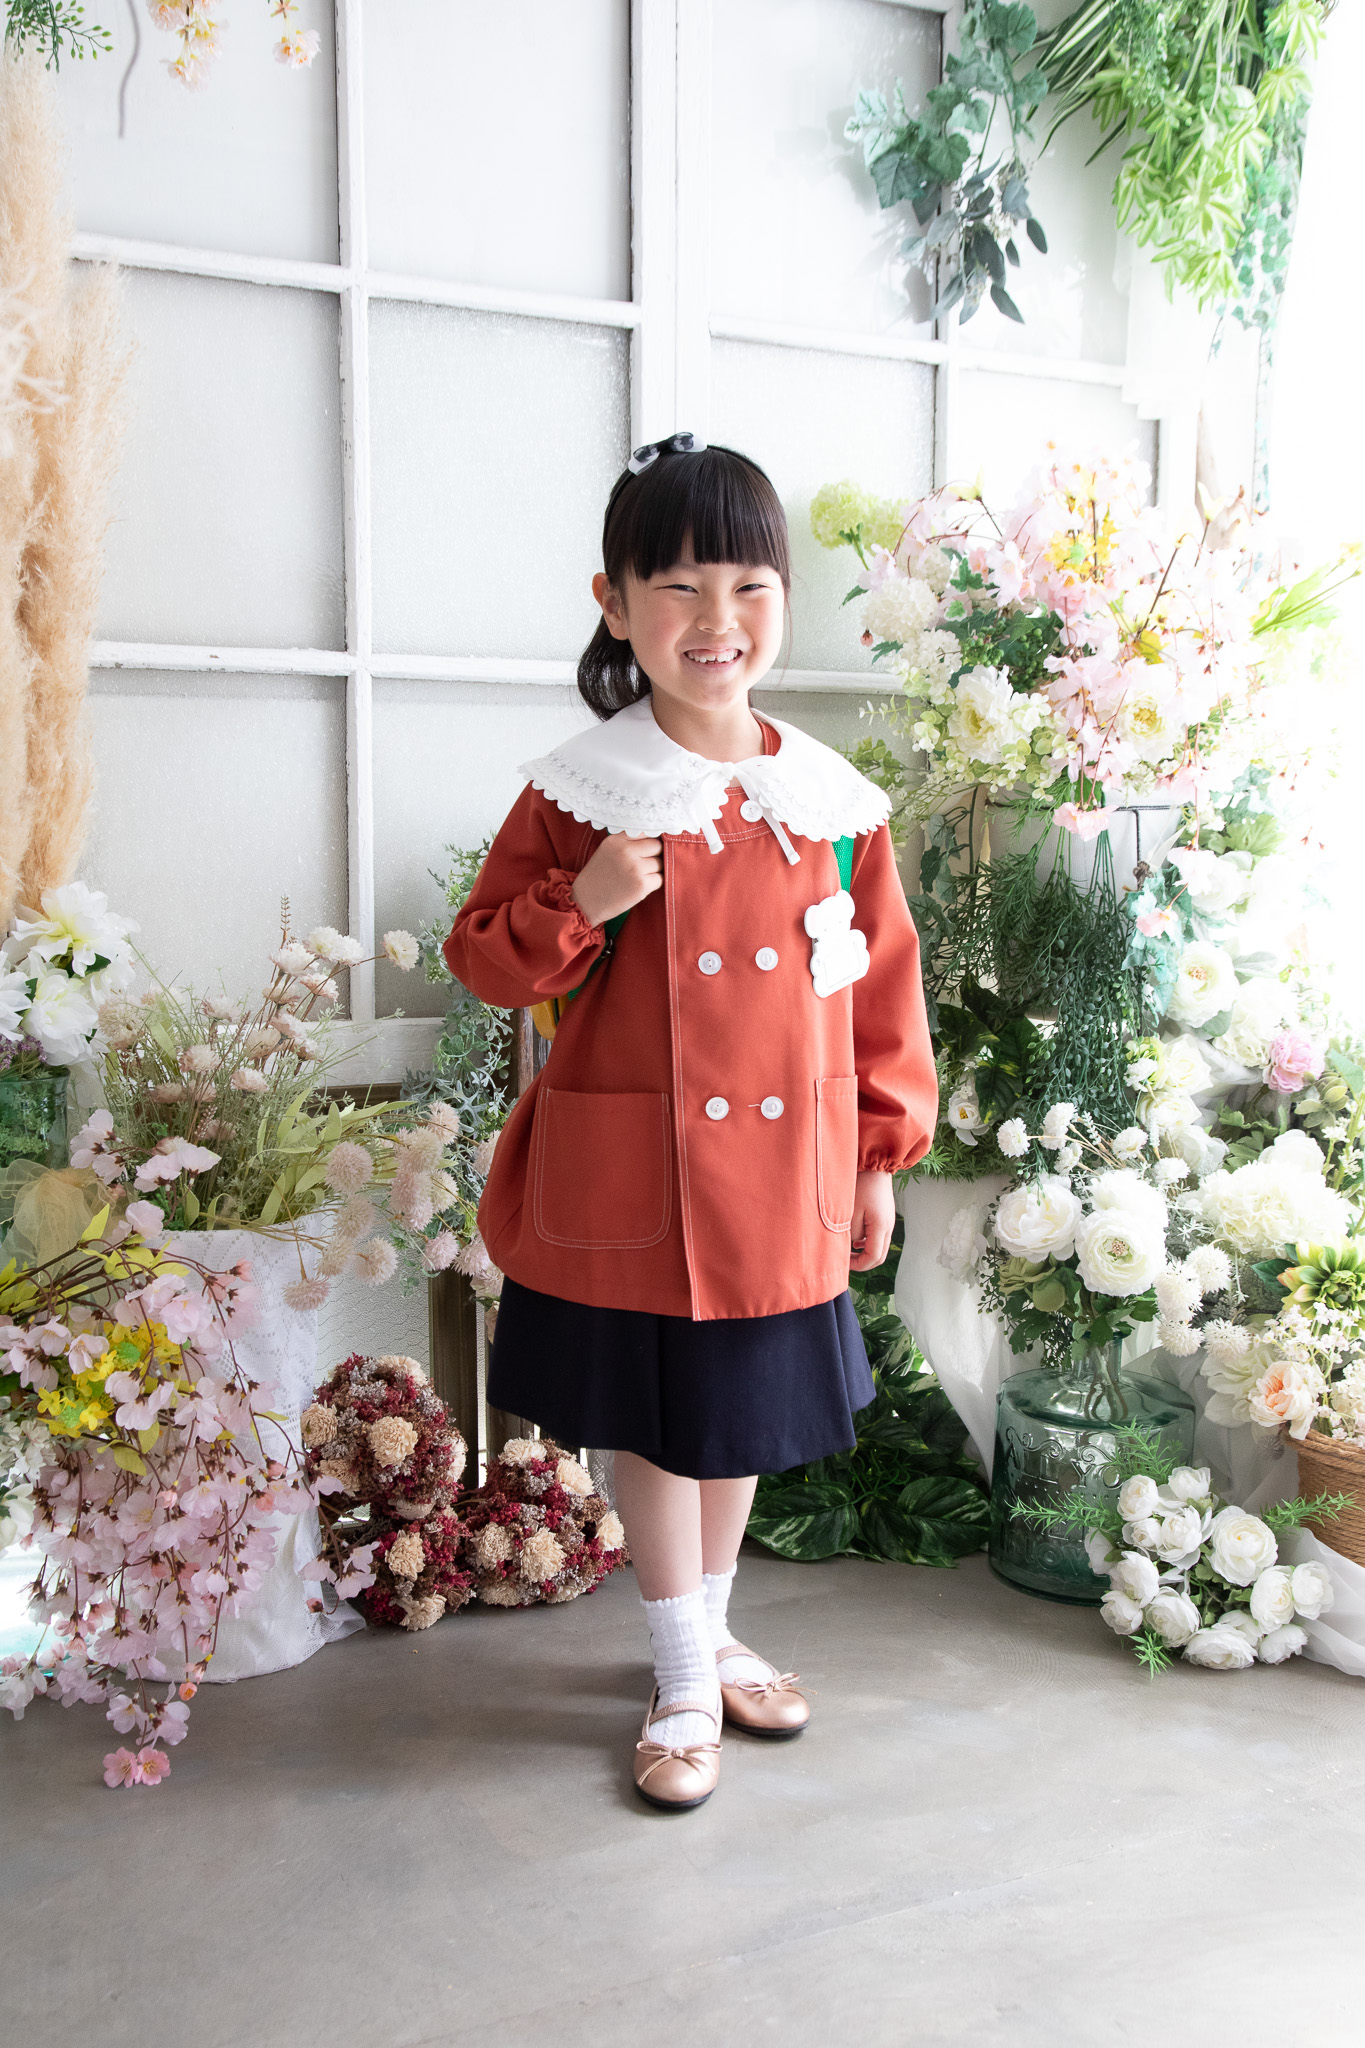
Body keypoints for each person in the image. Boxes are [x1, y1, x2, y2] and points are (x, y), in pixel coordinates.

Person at [444, 435, 937, 1811]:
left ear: (781, 602)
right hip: (638, 1177)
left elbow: (882, 991)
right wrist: (584, 899)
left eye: (748, 587)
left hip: (785, 1169)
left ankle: (710, 1636)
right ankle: (676, 1672)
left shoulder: (828, 800)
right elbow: (484, 960)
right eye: (678, 586)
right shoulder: (577, 791)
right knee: (658, 1424)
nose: (716, 620)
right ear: (614, 603)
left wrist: (881, 1152)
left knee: (737, 1420)